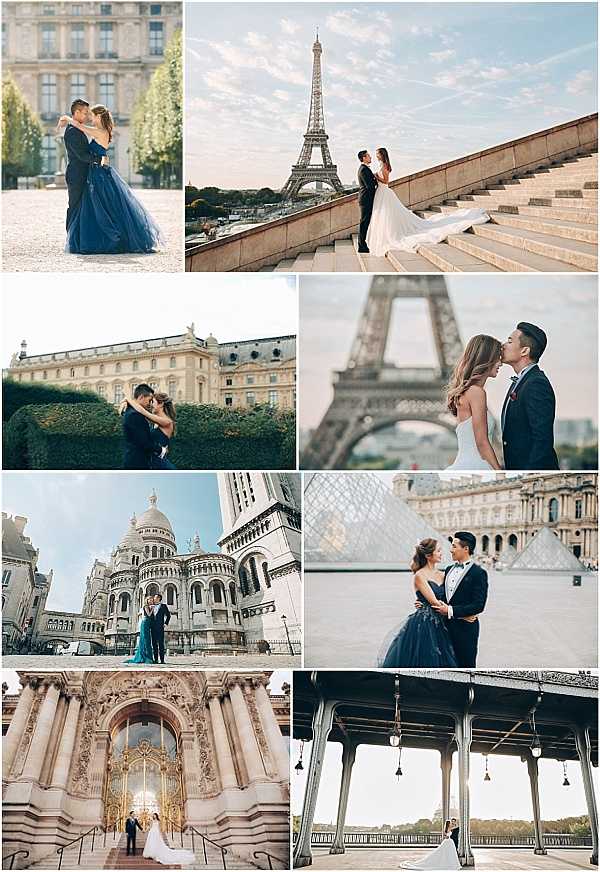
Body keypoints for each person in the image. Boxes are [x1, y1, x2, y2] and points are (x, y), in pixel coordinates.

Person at [57, 103, 163, 254]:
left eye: (92, 115)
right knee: (103, 206)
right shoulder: (102, 131)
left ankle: (107, 238)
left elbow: (80, 128)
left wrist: (67, 118)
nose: (90, 118)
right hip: (97, 171)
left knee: (100, 206)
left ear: (99, 116)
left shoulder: (99, 131)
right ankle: (100, 236)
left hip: (98, 173)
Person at [366, 147, 489, 256]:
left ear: (382, 155)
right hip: (381, 193)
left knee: (388, 215)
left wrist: (376, 177)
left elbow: (386, 181)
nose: (376, 155)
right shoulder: (382, 165)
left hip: (384, 191)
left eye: (377, 153)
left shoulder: (385, 165)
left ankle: (391, 233)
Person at [377, 539, 458, 668]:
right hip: (426, 623)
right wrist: (454, 610)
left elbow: (452, 598)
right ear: (428, 555)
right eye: (438, 551)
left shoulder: (444, 575)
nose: (442, 553)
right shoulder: (420, 576)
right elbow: (434, 602)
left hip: (444, 621)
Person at [501, 322, 559, 470]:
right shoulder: (522, 382)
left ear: (524, 351)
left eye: (509, 341)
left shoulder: (536, 384)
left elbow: (542, 440)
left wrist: (528, 475)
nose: (503, 345)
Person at [445, 335, 503, 471]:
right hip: (476, 464)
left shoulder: (467, 392)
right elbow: (482, 442)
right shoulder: (476, 392)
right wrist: (499, 471)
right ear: (486, 358)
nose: (500, 363)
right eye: (497, 358)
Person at [432, 533, 488, 668]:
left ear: (466, 549)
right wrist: (425, 603)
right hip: (444, 627)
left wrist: (450, 611)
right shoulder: (448, 569)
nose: (451, 550)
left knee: (465, 666)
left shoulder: (479, 573)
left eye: (454, 546)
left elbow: (479, 605)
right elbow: (444, 596)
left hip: (465, 630)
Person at [121, 391, 177, 470]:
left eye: (152, 402)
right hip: (150, 462)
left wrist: (128, 399)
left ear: (161, 404)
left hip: (159, 463)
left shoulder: (167, 422)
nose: (150, 405)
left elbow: (143, 412)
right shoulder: (155, 421)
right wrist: (126, 405)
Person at [63, 99, 94, 233]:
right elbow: (81, 155)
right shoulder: (72, 131)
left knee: (80, 206)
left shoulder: (77, 129)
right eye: (85, 113)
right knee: (74, 206)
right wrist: (99, 159)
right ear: (76, 112)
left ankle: (77, 235)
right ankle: (71, 237)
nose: (87, 116)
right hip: (76, 175)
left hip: (80, 173)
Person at [121, 384, 155, 470]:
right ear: (141, 397)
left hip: (134, 460)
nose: (150, 403)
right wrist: (161, 450)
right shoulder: (135, 415)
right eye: (149, 400)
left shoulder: (131, 411)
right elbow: (144, 442)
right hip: (137, 462)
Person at [357, 150, 378, 252]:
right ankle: (361, 246)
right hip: (366, 199)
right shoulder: (364, 170)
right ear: (364, 158)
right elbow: (370, 186)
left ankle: (362, 244)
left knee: (365, 222)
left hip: (365, 199)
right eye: (368, 155)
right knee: (364, 222)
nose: (371, 157)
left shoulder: (364, 169)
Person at [126, 596, 156, 665]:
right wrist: (152, 609)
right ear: (147, 600)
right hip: (145, 623)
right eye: (149, 600)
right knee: (145, 640)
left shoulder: (150, 607)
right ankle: (145, 657)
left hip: (148, 624)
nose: (151, 601)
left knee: (147, 640)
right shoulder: (146, 606)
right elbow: (148, 614)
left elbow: (151, 616)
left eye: (152, 600)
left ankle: (148, 657)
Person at [150, 593, 171, 665]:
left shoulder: (163, 606)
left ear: (159, 598)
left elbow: (168, 615)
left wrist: (165, 623)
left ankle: (162, 660)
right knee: (154, 644)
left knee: (161, 644)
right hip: (152, 627)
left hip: (160, 627)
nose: (154, 599)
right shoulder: (151, 606)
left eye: (155, 598)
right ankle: (156, 659)